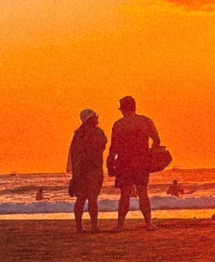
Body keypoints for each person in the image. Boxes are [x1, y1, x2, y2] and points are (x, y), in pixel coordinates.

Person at [108, 95, 163, 230]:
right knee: (143, 192)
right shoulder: (145, 121)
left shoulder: (118, 125)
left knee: (124, 194)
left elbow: (113, 147)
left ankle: (120, 225)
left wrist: (110, 162)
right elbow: (157, 140)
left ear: (123, 109)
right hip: (141, 161)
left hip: (124, 162)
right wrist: (151, 153)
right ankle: (148, 223)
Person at [66, 107, 107, 233]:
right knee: (92, 198)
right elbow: (102, 145)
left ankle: (79, 227)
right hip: (94, 169)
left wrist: (75, 173)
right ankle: (94, 226)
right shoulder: (98, 132)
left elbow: (74, 154)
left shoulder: (78, 135)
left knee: (81, 198)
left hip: (80, 170)